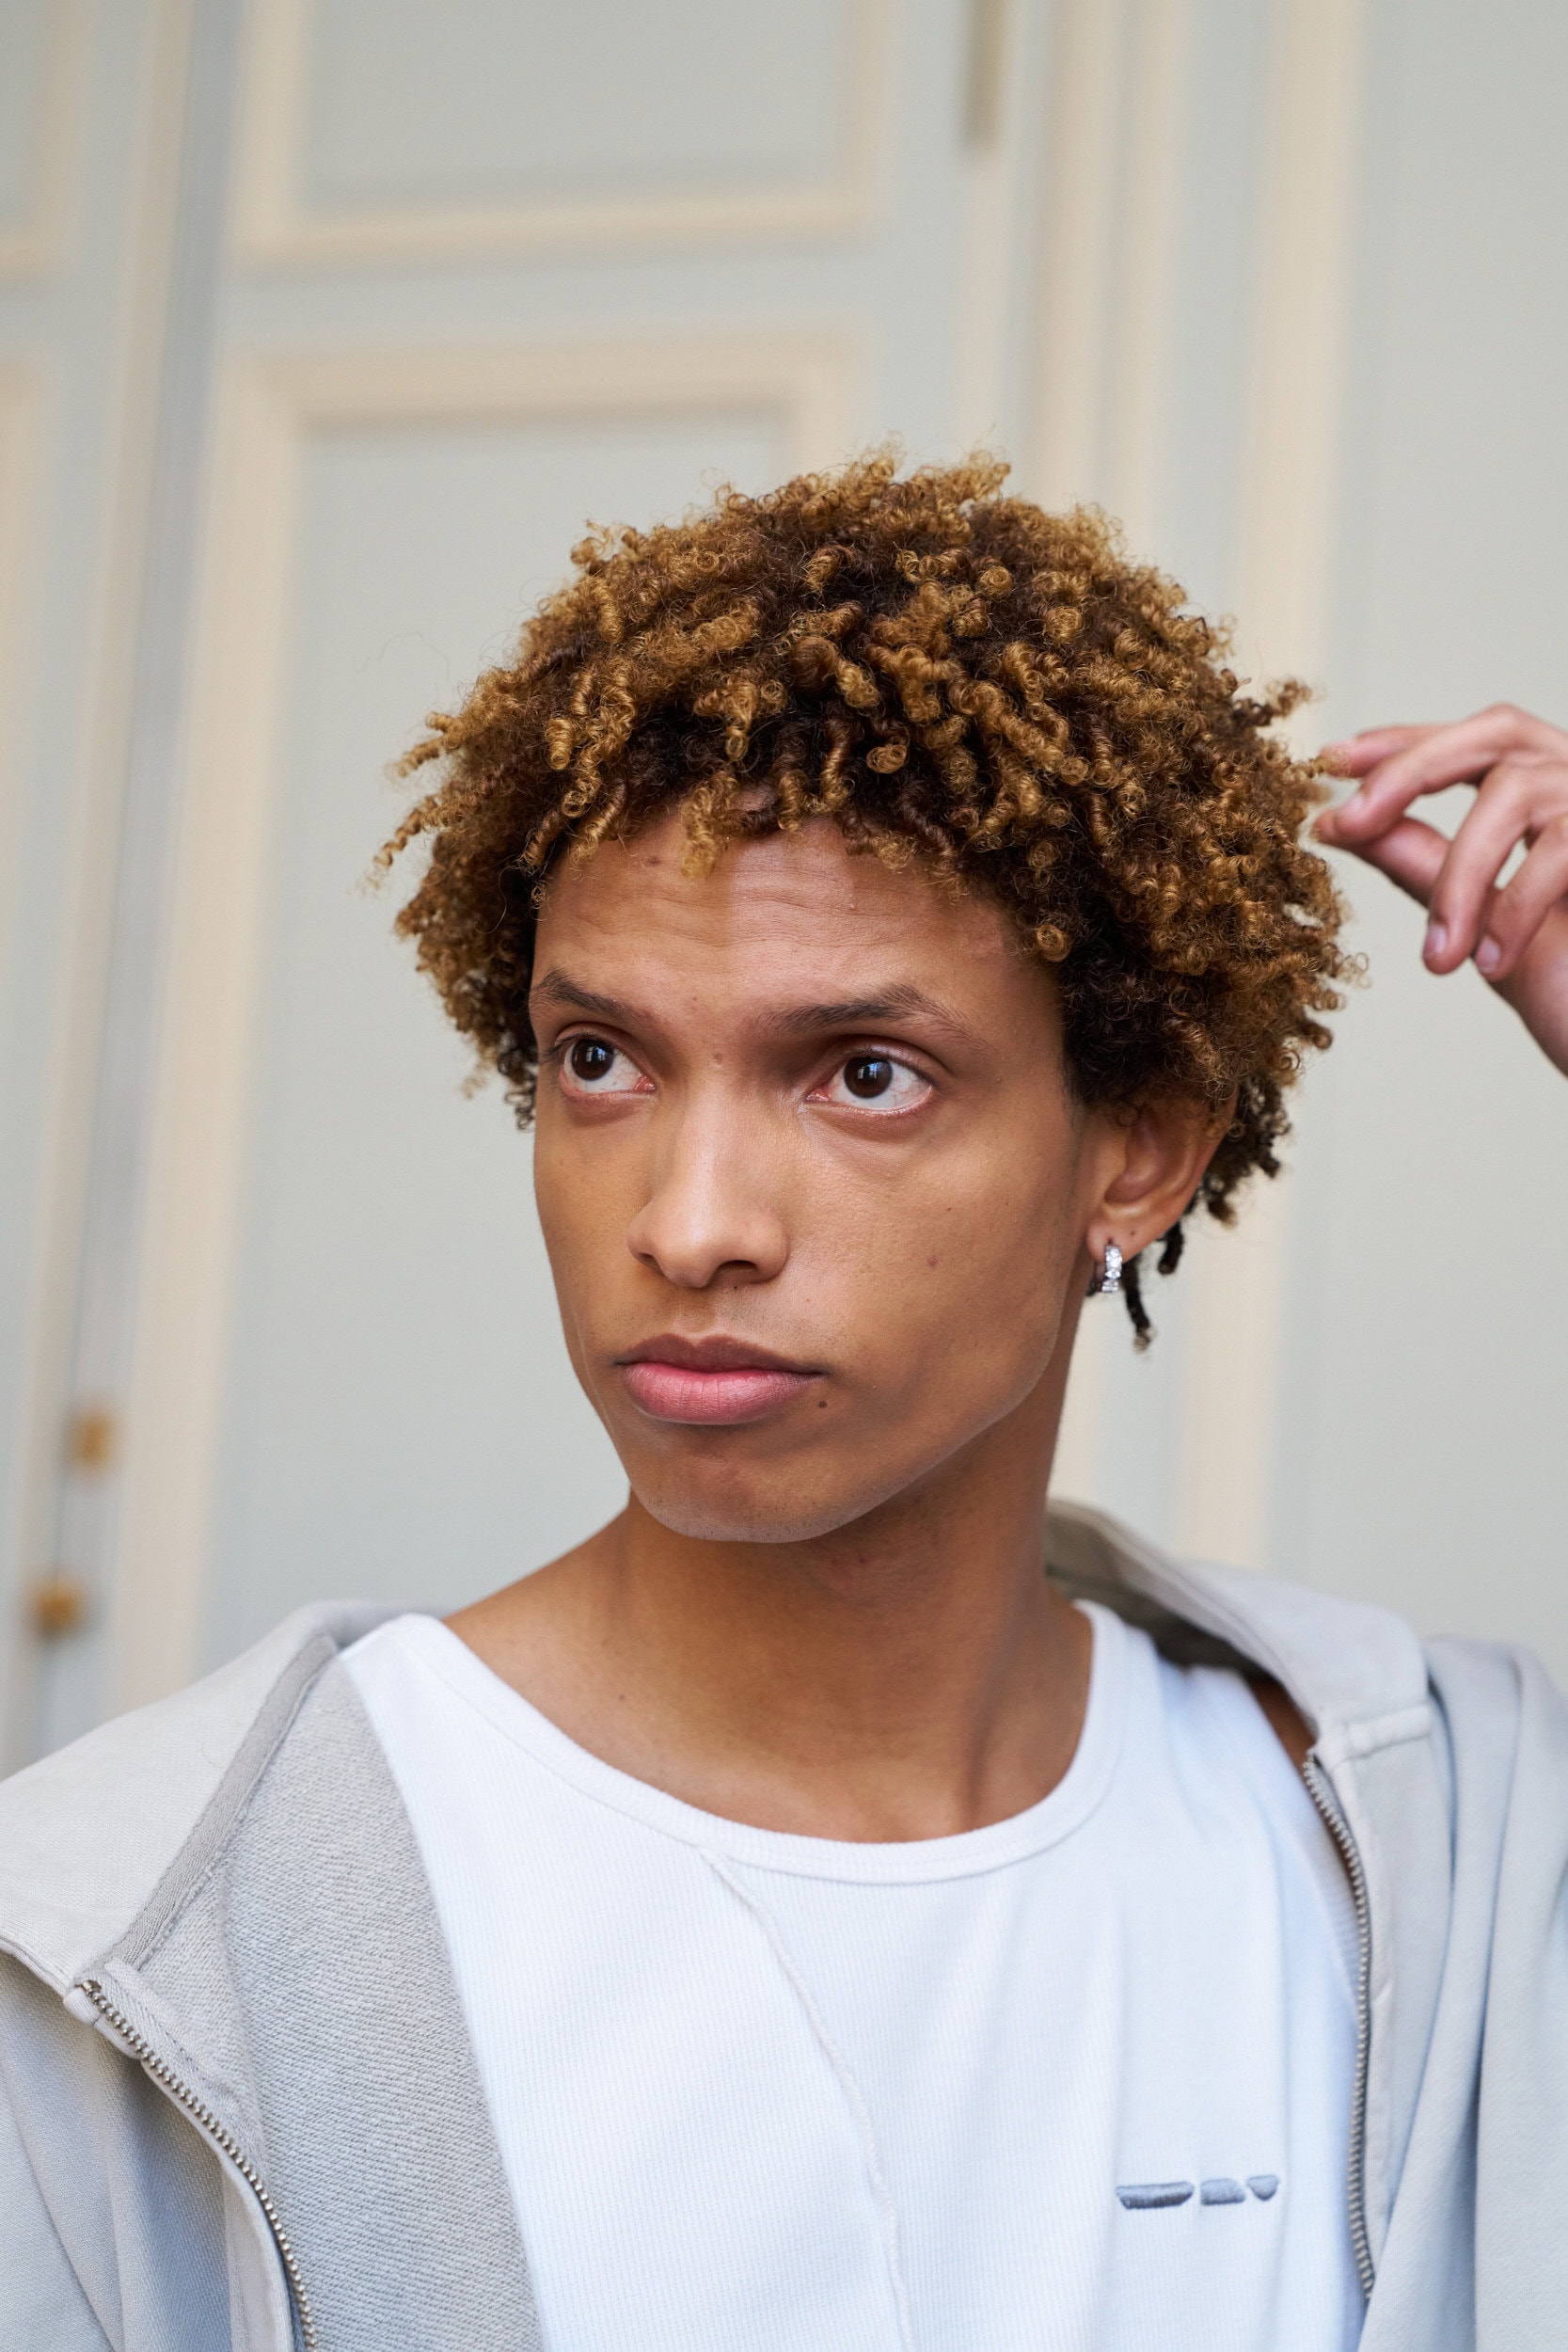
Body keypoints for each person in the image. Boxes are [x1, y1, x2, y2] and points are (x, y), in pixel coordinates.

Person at [1, 457, 1564, 2352]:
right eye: (601, 1059)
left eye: (866, 1074)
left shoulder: (1440, 1853)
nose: (691, 1221)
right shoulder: (145, 1946)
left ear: (1138, 1148)